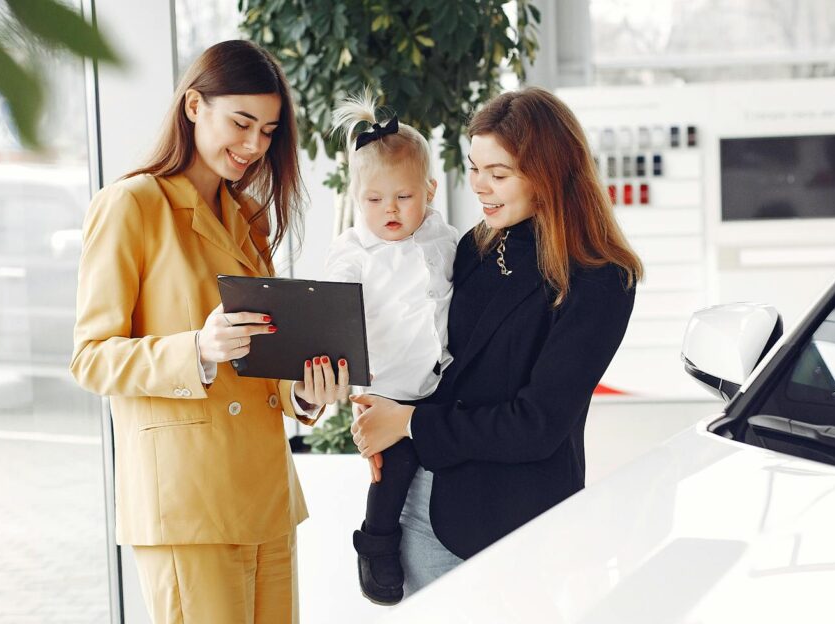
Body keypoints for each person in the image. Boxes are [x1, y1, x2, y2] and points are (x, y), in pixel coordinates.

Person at [70, 40, 348, 624]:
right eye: (241, 123)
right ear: (194, 106)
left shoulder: (247, 215)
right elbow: (91, 358)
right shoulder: (131, 205)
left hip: (266, 496)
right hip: (187, 501)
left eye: (268, 131)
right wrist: (196, 347)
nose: (253, 146)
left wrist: (303, 393)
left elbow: (262, 353)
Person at [350, 86, 642, 595]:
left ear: (548, 174)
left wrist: (409, 422)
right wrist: (381, 408)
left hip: (520, 524)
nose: (480, 187)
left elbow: (538, 424)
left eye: (499, 174)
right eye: (475, 168)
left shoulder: (600, 280)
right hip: (426, 507)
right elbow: (435, 360)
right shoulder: (476, 246)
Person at [323, 91, 458, 605]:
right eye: (374, 201)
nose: (390, 211)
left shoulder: (443, 237)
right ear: (358, 201)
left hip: (442, 380)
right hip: (388, 387)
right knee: (394, 466)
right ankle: (376, 543)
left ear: (429, 189)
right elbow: (334, 301)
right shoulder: (355, 250)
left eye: (403, 197)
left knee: (443, 454)